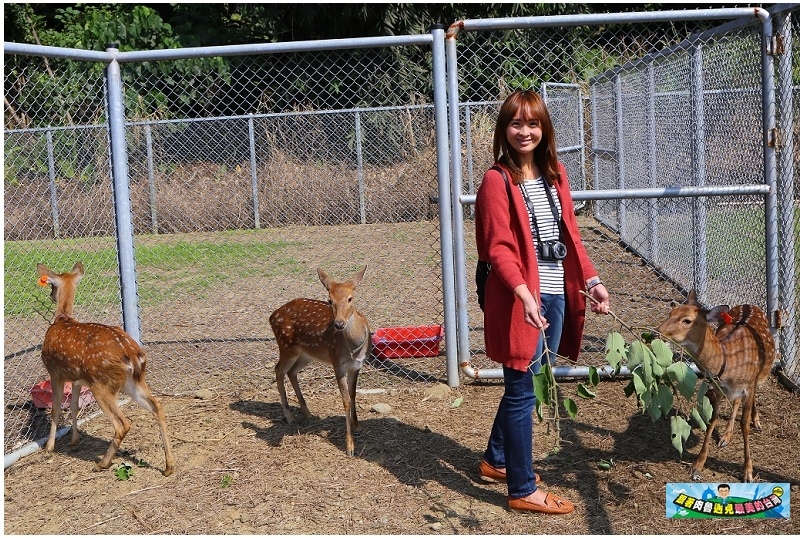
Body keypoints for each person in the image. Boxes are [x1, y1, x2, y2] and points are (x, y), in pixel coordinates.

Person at [474, 90, 610, 515]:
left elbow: (571, 233)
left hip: (554, 294)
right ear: (504, 130)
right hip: (519, 298)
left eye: (532, 123)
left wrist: (591, 278)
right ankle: (522, 487)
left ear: (544, 129)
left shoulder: (556, 175)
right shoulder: (497, 181)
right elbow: (498, 249)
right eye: (516, 124)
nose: (525, 131)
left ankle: (496, 460)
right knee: (520, 388)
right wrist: (522, 294)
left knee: (528, 382)